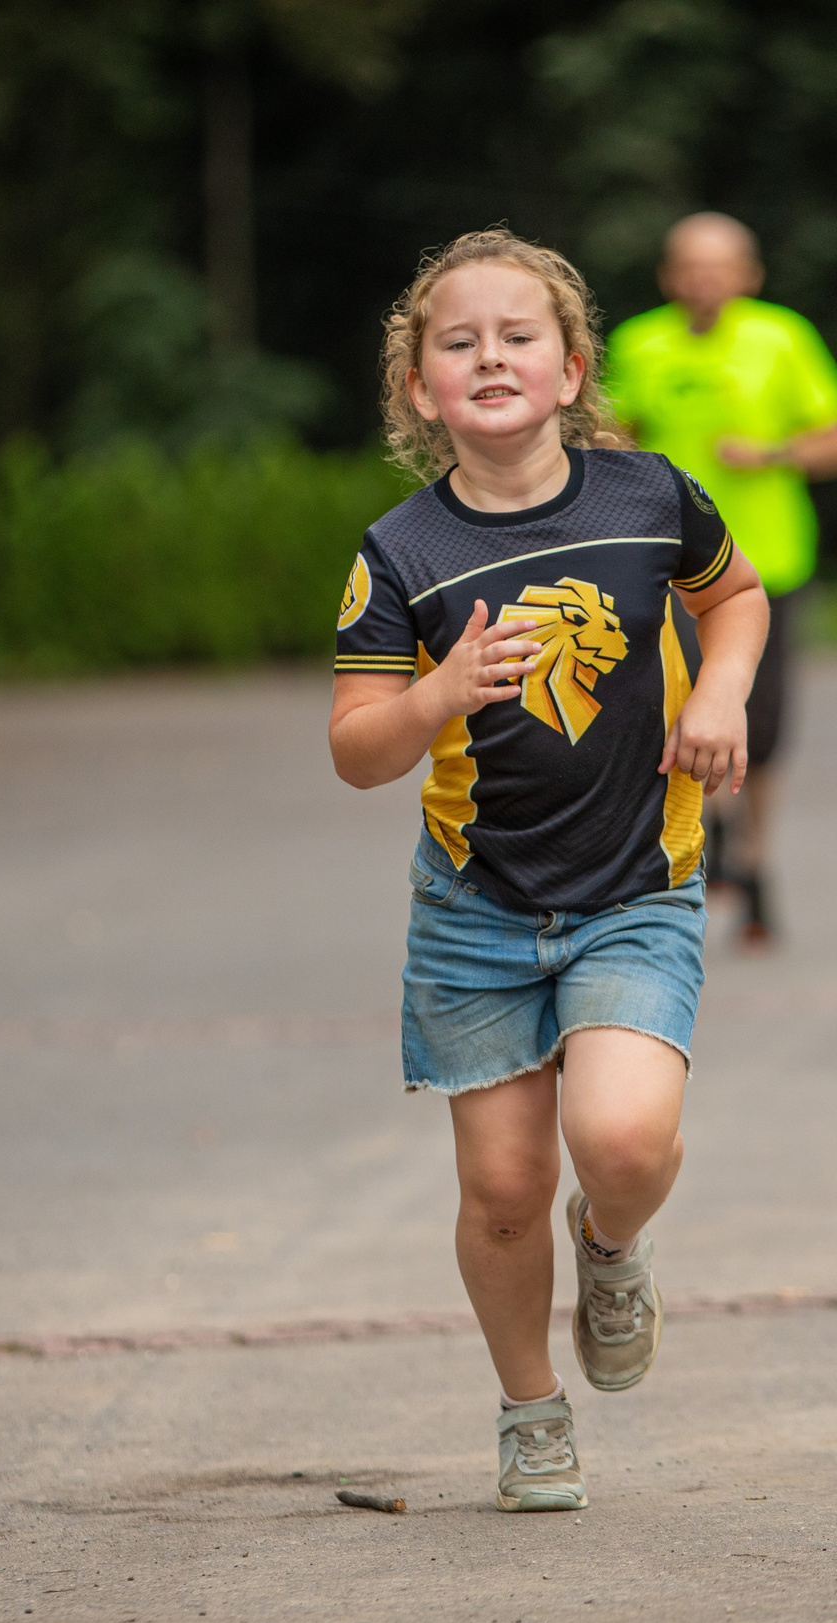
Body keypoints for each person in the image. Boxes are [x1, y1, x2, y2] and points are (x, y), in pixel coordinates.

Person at [329, 229, 769, 1513]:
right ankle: (530, 1410)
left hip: (637, 886)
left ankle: (614, 1243)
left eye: (517, 336)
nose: (490, 357)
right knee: (506, 1188)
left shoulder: (649, 496)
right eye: (456, 343)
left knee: (620, 1142)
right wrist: (441, 693)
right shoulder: (399, 555)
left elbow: (735, 599)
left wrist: (725, 694)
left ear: (572, 367)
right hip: (476, 910)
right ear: (420, 389)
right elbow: (358, 751)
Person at [604, 213, 837, 948]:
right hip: (667, 566)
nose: (704, 279)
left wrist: (776, 450)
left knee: (767, 720)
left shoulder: (782, 337)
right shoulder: (637, 344)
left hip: (768, 563)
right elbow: (608, 441)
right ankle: (708, 842)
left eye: (719, 266)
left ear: (749, 275)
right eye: (689, 265)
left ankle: (755, 860)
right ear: (668, 275)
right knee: (682, 710)